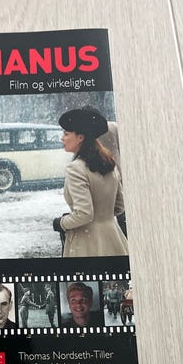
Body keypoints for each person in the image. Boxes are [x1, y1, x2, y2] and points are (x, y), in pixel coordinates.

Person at [53, 106, 128, 258]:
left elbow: (84, 214)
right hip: (113, 238)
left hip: (87, 243)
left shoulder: (75, 168)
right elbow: (120, 205)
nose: (62, 138)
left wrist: (60, 223)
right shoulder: (109, 164)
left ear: (80, 137)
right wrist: (103, 217)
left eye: (66, 134)